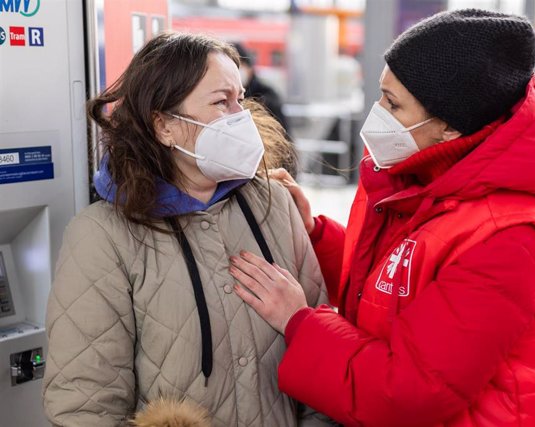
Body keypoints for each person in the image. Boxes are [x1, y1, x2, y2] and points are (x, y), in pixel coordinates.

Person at [229, 9, 535, 427]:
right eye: (382, 93)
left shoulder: (511, 236)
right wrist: (315, 235)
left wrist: (298, 321)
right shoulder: (431, 178)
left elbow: (410, 392)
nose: (376, 113)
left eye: (393, 104)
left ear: (451, 128)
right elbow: (402, 283)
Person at [42, 32, 332, 427]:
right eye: (220, 103)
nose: (239, 117)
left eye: (239, 100)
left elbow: (322, 363)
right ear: (163, 126)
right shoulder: (102, 237)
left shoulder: (273, 205)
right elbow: (84, 405)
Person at [233, 42, 289, 132]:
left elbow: (283, 135)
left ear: (249, 68)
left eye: (238, 66)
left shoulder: (267, 97)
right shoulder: (223, 98)